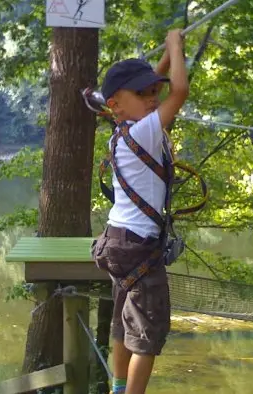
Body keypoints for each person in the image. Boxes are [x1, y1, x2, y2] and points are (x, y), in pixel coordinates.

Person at [91, 29, 189, 394]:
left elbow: (161, 89)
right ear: (115, 103)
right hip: (139, 247)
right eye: (143, 94)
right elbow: (179, 91)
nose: (153, 99)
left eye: (152, 92)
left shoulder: (124, 132)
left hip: (117, 242)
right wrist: (176, 45)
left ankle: (118, 388)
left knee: (122, 323)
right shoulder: (145, 132)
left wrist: (165, 55)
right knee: (147, 334)